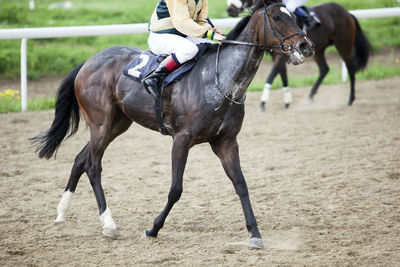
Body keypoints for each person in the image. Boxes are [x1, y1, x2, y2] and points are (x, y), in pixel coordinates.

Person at [142, 0, 225, 100]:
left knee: (215, 47)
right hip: (160, 37)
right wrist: (210, 34)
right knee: (190, 50)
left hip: (183, 36)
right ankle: (153, 78)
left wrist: (210, 29)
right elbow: (182, 22)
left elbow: (199, 21)